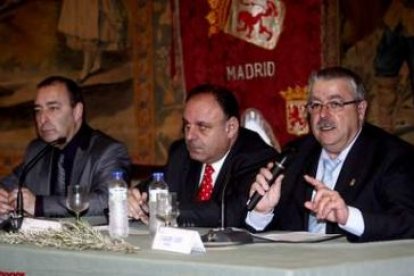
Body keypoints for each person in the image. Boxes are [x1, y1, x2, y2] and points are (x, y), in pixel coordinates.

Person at [246, 66, 414, 242]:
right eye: (316, 105)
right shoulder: (295, 154)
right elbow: (277, 232)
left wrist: (349, 217)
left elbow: (409, 222)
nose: (323, 115)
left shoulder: (393, 156)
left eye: (335, 104)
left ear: (361, 109)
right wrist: (262, 213)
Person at [128, 84, 278, 227]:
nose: (190, 136)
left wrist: (169, 210)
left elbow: (232, 212)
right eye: (187, 126)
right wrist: (132, 201)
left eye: (202, 127)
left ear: (230, 128)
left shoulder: (256, 157)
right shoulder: (181, 153)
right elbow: (151, 191)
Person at [0, 76, 131, 218]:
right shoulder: (37, 150)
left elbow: (110, 200)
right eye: (38, 110)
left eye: (53, 108)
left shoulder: (108, 151)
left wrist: (39, 205)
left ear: (77, 112)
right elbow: (9, 183)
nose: (43, 119)